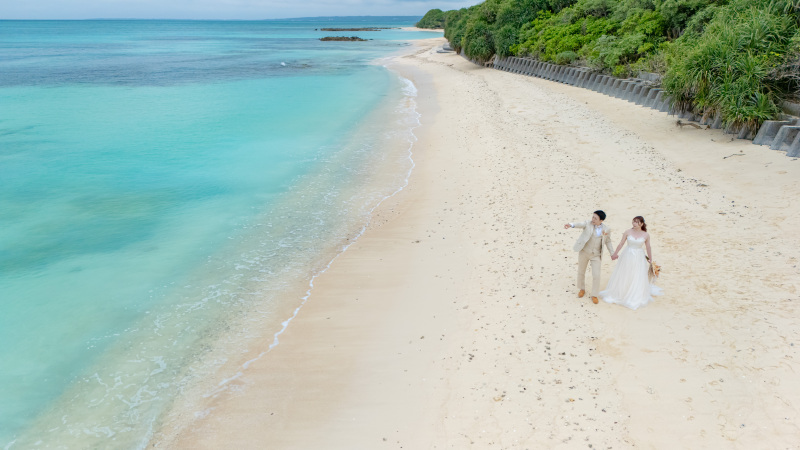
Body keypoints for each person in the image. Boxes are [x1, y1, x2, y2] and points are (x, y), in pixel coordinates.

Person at [600, 216, 663, 310]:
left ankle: (634, 293)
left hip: (639, 256)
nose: (634, 223)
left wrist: (650, 258)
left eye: (636, 222)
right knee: (625, 272)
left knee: (637, 274)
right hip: (628, 254)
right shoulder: (627, 232)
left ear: (641, 224)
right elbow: (621, 243)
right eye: (633, 221)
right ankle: (622, 292)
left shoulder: (646, 235)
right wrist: (615, 254)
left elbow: (648, 247)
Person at [564, 210, 615, 304]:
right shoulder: (588, 223)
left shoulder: (606, 229)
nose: (593, 219)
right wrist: (571, 224)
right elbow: (580, 224)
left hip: (596, 255)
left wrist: (612, 253)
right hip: (584, 252)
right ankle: (581, 289)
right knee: (581, 271)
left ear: (601, 220)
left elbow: (608, 241)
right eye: (593, 217)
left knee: (596, 275)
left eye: (595, 218)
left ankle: (594, 294)